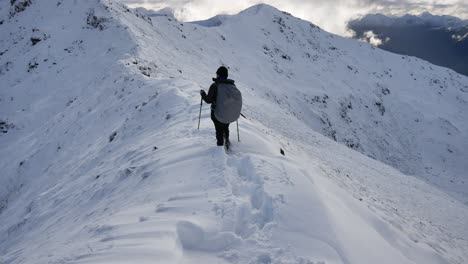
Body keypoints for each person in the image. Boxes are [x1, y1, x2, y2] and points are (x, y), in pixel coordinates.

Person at [200, 66, 236, 149]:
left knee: (219, 130)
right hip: (228, 113)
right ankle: (227, 142)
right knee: (226, 127)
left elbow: (208, 100)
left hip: (217, 112)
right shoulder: (232, 85)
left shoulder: (215, 85)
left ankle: (220, 148)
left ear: (218, 75)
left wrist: (202, 94)